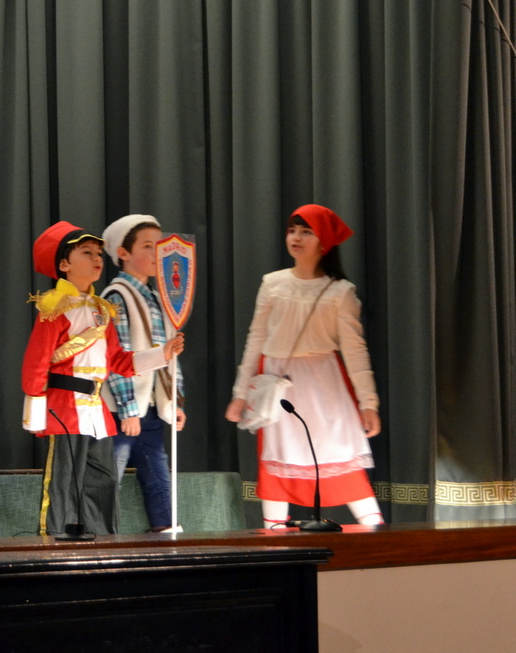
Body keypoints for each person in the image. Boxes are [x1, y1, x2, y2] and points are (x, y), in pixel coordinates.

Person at [225, 204, 384, 527]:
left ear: (324, 242)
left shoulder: (340, 292)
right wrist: (240, 394)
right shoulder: (272, 284)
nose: (296, 237)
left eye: (306, 232)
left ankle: (377, 537)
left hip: (323, 386)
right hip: (278, 385)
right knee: (276, 465)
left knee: (340, 460)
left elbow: (355, 351)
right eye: (292, 230)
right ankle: (274, 539)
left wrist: (368, 403)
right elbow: (255, 340)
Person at [21, 221, 184, 537]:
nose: (97, 258)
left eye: (98, 253)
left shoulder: (102, 310)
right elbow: (36, 363)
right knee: (64, 479)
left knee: (104, 479)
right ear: (64, 265)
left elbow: (119, 361)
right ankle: (56, 540)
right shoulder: (54, 307)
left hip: (95, 409)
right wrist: (35, 411)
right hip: (64, 407)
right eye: (87, 253)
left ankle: (102, 538)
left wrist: (161, 354)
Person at [101, 215, 186, 533]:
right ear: (123, 253)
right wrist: (128, 410)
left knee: (159, 479)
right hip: (122, 412)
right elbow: (116, 358)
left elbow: (170, 354)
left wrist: (176, 400)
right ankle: (99, 540)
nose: (156, 253)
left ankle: (167, 536)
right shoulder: (117, 296)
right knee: (109, 480)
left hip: (149, 407)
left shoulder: (159, 298)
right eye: (148, 246)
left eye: (160, 246)